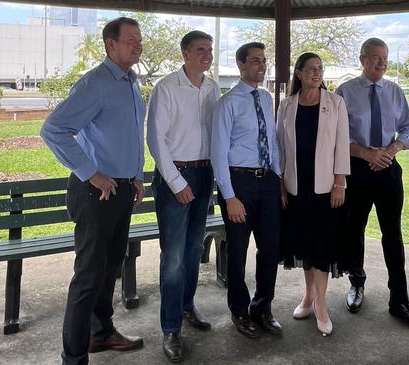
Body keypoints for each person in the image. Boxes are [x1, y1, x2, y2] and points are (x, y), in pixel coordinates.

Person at [40, 17, 146, 365]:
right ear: (110, 44)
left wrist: (135, 175)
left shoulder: (131, 83)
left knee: (109, 267)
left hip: (121, 190)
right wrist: (91, 173)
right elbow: (54, 129)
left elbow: (124, 135)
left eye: (139, 39)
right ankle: (73, 356)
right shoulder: (96, 83)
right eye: (130, 39)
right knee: (88, 276)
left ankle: (102, 334)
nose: (137, 45)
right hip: (94, 194)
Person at [335, 37, 409, 331]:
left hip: (388, 170)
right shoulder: (344, 92)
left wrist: (390, 151)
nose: (382, 62)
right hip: (357, 171)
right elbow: (335, 136)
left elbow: (408, 129)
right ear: (362, 58)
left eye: (385, 58)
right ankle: (357, 284)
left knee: (393, 235)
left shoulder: (394, 91)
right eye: (376, 57)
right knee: (355, 232)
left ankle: (399, 301)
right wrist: (366, 153)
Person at [147, 30, 220, 362]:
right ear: (185, 54)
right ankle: (170, 328)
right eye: (200, 49)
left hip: (204, 175)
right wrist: (177, 182)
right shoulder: (166, 88)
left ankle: (187, 306)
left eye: (210, 49)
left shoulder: (213, 88)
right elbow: (156, 141)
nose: (207, 54)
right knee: (174, 256)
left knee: (194, 249)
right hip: (175, 175)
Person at [211, 42, 283, 339]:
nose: (262, 65)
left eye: (264, 60)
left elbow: (273, 143)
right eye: (255, 61)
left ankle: (262, 308)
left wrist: (278, 181)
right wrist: (229, 197)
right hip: (239, 184)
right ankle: (239, 311)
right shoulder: (227, 103)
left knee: (270, 249)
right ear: (241, 65)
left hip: (267, 182)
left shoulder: (265, 98)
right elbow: (218, 153)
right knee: (238, 252)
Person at [276, 52, 350, 336]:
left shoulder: (336, 103)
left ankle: (321, 305)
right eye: (311, 69)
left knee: (321, 248)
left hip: (326, 189)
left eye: (320, 69)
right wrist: (281, 183)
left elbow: (342, 145)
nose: (317, 74)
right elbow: (280, 148)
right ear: (298, 72)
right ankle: (308, 297)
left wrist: (340, 183)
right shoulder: (286, 105)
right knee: (305, 246)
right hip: (297, 188)